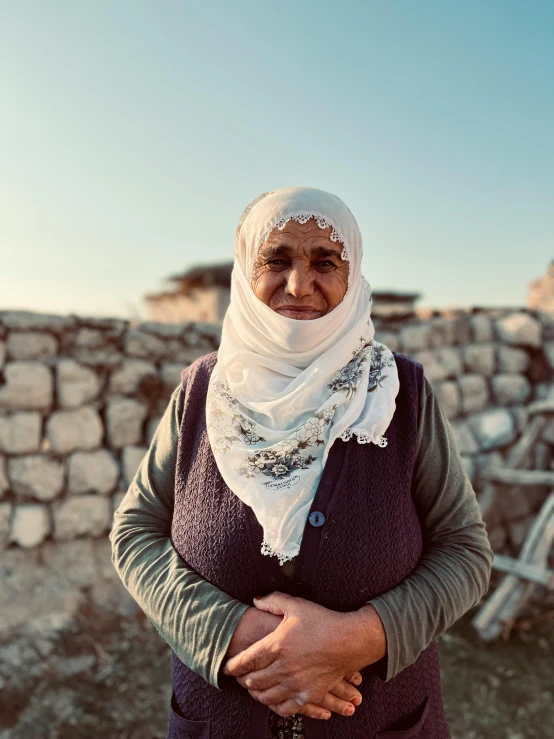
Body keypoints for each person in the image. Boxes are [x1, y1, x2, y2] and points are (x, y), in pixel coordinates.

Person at [110, 186, 493, 739]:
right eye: (277, 260)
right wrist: (232, 634)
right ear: (247, 269)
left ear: (352, 273)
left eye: (324, 262)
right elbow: (135, 532)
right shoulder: (201, 392)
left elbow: (465, 549)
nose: (298, 285)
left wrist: (362, 638)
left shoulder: (400, 394)